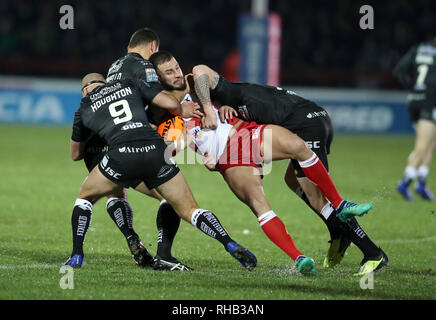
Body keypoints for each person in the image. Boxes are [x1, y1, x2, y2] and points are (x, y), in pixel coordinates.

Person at [149, 51, 387, 275]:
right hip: (227, 158)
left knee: (297, 148)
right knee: (261, 203)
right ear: (158, 79)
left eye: (176, 67)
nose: (177, 74)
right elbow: (173, 142)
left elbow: (205, 78)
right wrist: (188, 136)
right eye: (169, 72)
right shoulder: (163, 106)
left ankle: (343, 212)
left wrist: (218, 108)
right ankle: (299, 258)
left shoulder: (194, 81)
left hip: (246, 132)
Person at [64, 73, 257, 272]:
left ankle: (77, 254)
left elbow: (75, 154)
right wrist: (181, 109)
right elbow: (165, 102)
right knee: (189, 209)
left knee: (85, 198)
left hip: (121, 155)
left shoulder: (83, 107)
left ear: (84, 91)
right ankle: (228, 242)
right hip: (155, 150)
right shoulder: (128, 83)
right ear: (105, 82)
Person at [67, 27, 193, 271]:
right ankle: (164, 253)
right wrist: (179, 106)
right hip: (132, 143)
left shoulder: (112, 71)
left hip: (102, 149)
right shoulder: (140, 65)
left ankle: (125, 239)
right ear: (153, 46)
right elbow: (154, 96)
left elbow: (74, 154)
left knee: (111, 193)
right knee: (169, 197)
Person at [393, 38, 436, 201]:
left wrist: (413, 88)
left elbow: (399, 71)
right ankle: (405, 181)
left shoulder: (418, 48)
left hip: (414, 101)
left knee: (429, 144)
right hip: (430, 101)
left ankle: (422, 183)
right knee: (423, 146)